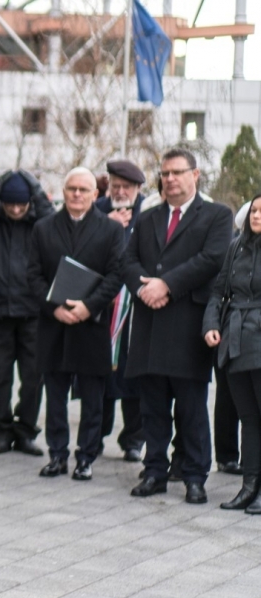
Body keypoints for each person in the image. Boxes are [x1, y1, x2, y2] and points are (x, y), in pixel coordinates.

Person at [125, 148, 234, 503]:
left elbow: (212, 259)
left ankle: (194, 476)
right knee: (152, 408)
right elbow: (127, 259)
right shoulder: (148, 217)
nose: (169, 179)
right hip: (149, 325)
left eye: (177, 172)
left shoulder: (217, 215)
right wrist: (144, 288)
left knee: (191, 408)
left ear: (195, 175)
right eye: (165, 173)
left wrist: (166, 285)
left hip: (187, 326)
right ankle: (154, 470)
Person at [27, 168, 126, 480]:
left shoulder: (111, 231)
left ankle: (86, 457)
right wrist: (53, 308)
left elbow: (116, 274)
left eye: (84, 189)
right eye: (72, 189)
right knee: (54, 395)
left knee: (93, 398)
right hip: (53, 325)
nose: (77, 195)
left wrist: (88, 306)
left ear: (95, 194)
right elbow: (32, 275)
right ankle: (57, 455)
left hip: (91, 325)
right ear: (64, 191)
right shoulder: (43, 228)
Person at [0, 170, 53, 455]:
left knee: (33, 377)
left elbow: (51, 214)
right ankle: (2, 430)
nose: (17, 209)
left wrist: (36, 187)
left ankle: (26, 430)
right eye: (10, 204)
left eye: (22, 204)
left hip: (33, 312)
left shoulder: (40, 222)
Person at [204, 193, 261, 513]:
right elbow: (218, 291)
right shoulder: (235, 247)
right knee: (249, 417)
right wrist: (211, 325)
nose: (257, 216)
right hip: (235, 338)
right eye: (254, 210)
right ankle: (249, 486)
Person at [94, 159, 147, 462]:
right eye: (116, 185)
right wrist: (106, 225)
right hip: (102, 304)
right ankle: (95, 435)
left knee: (133, 373)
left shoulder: (149, 213)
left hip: (135, 307)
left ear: (138, 189)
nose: (120, 191)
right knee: (101, 374)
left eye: (126, 187)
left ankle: (133, 439)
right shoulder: (98, 210)